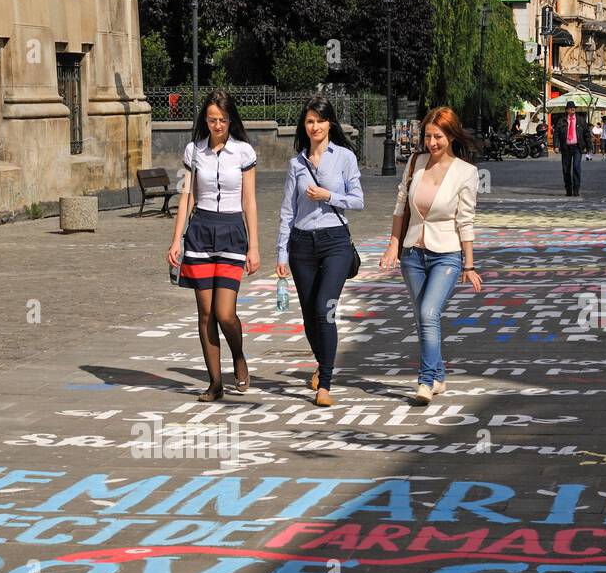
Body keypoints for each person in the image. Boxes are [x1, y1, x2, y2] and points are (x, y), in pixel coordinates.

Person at [379, 106, 483, 406]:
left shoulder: (466, 172)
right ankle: (438, 374)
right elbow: (400, 208)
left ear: (451, 136)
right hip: (412, 253)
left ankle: (425, 381)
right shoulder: (415, 163)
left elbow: (466, 220)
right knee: (423, 316)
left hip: (446, 255)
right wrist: (393, 246)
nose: (432, 143)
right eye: (427, 136)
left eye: (438, 137)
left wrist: (469, 263)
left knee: (428, 313)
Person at [167, 89, 259, 401]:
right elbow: (186, 196)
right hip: (200, 232)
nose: (216, 125)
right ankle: (215, 383)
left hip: (233, 231)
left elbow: (250, 200)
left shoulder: (244, 152)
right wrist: (176, 239)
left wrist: (254, 246)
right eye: (211, 120)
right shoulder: (193, 151)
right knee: (205, 312)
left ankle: (239, 356)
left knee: (225, 313)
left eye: (221, 119)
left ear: (230, 119)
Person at [276, 93, 364, 407]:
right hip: (301, 246)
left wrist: (328, 195)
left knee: (325, 309)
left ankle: (324, 384)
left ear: (330, 123)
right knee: (310, 317)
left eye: (321, 120)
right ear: (305, 124)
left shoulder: (343, 157)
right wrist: (282, 253)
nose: (315, 126)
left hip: (335, 243)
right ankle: (322, 363)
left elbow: (358, 199)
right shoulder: (296, 163)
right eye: (310, 120)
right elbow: (287, 210)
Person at [553, 101, 593, 195]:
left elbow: (587, 134)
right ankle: (568, 189)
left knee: (576, 167)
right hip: (565, 147)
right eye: (570, 108)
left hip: (577, 147)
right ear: (567, 110)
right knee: (566, 169)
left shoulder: (581, 120)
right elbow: (556, 134)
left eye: (574, 107)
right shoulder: (561, 120)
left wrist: (589, 146)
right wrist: (556, 146)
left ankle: (576, 189)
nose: (573, 109)